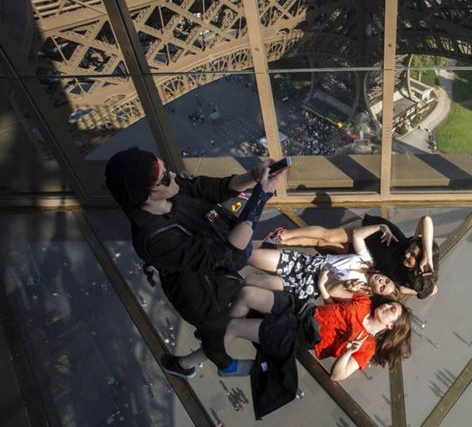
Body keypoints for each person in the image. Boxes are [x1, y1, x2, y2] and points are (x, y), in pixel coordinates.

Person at [104, 147, 284, 377]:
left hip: (217, 278)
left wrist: (253, 176)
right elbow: (226, 256)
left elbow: (209, 188)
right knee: (216, 330)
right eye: (164, 178)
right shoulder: (153, 238)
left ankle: (190, 362)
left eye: (166, 168)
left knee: (224, 324)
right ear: (146, 196)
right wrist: (259, 198)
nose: (173, 176)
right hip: (201, 295)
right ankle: (225, 366)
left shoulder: (172, 189)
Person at [167, 290, 412, 418]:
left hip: (297, 334)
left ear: (392, 327)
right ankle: (214, 337)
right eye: (390, 304)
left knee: (235, 327)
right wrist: (332, 285)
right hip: (300, 311)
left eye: (392, 310)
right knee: (247, 294)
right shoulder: (365, 303)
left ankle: (187, 363)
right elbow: (334, 294)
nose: (386, 306)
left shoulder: (367, 347)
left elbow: (337, 375)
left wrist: (348, 352)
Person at [266, 214, 439, 298]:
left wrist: (402, 289)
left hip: (369, 259)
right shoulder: (420, 250)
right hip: (379, 235)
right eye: (410, 249)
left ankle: (283, 243)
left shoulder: (417, 281)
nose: (407, 253)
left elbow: (433, 290)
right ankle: (283, 235)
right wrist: (427, 256)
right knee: (329, 236)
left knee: (323, 244)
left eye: (412, 256)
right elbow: (426, 220)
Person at [242, 223, 400, 304]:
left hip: (304, 286)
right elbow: (357, 235)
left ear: (377, 294)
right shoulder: (368, 262)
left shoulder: (361, 295)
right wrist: (381, 227)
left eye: (382, 287)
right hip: (305, 263)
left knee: (250, 282)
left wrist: (346, 287)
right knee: (250, 256)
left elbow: (330, 296)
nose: (382, 281)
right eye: (386, 280)